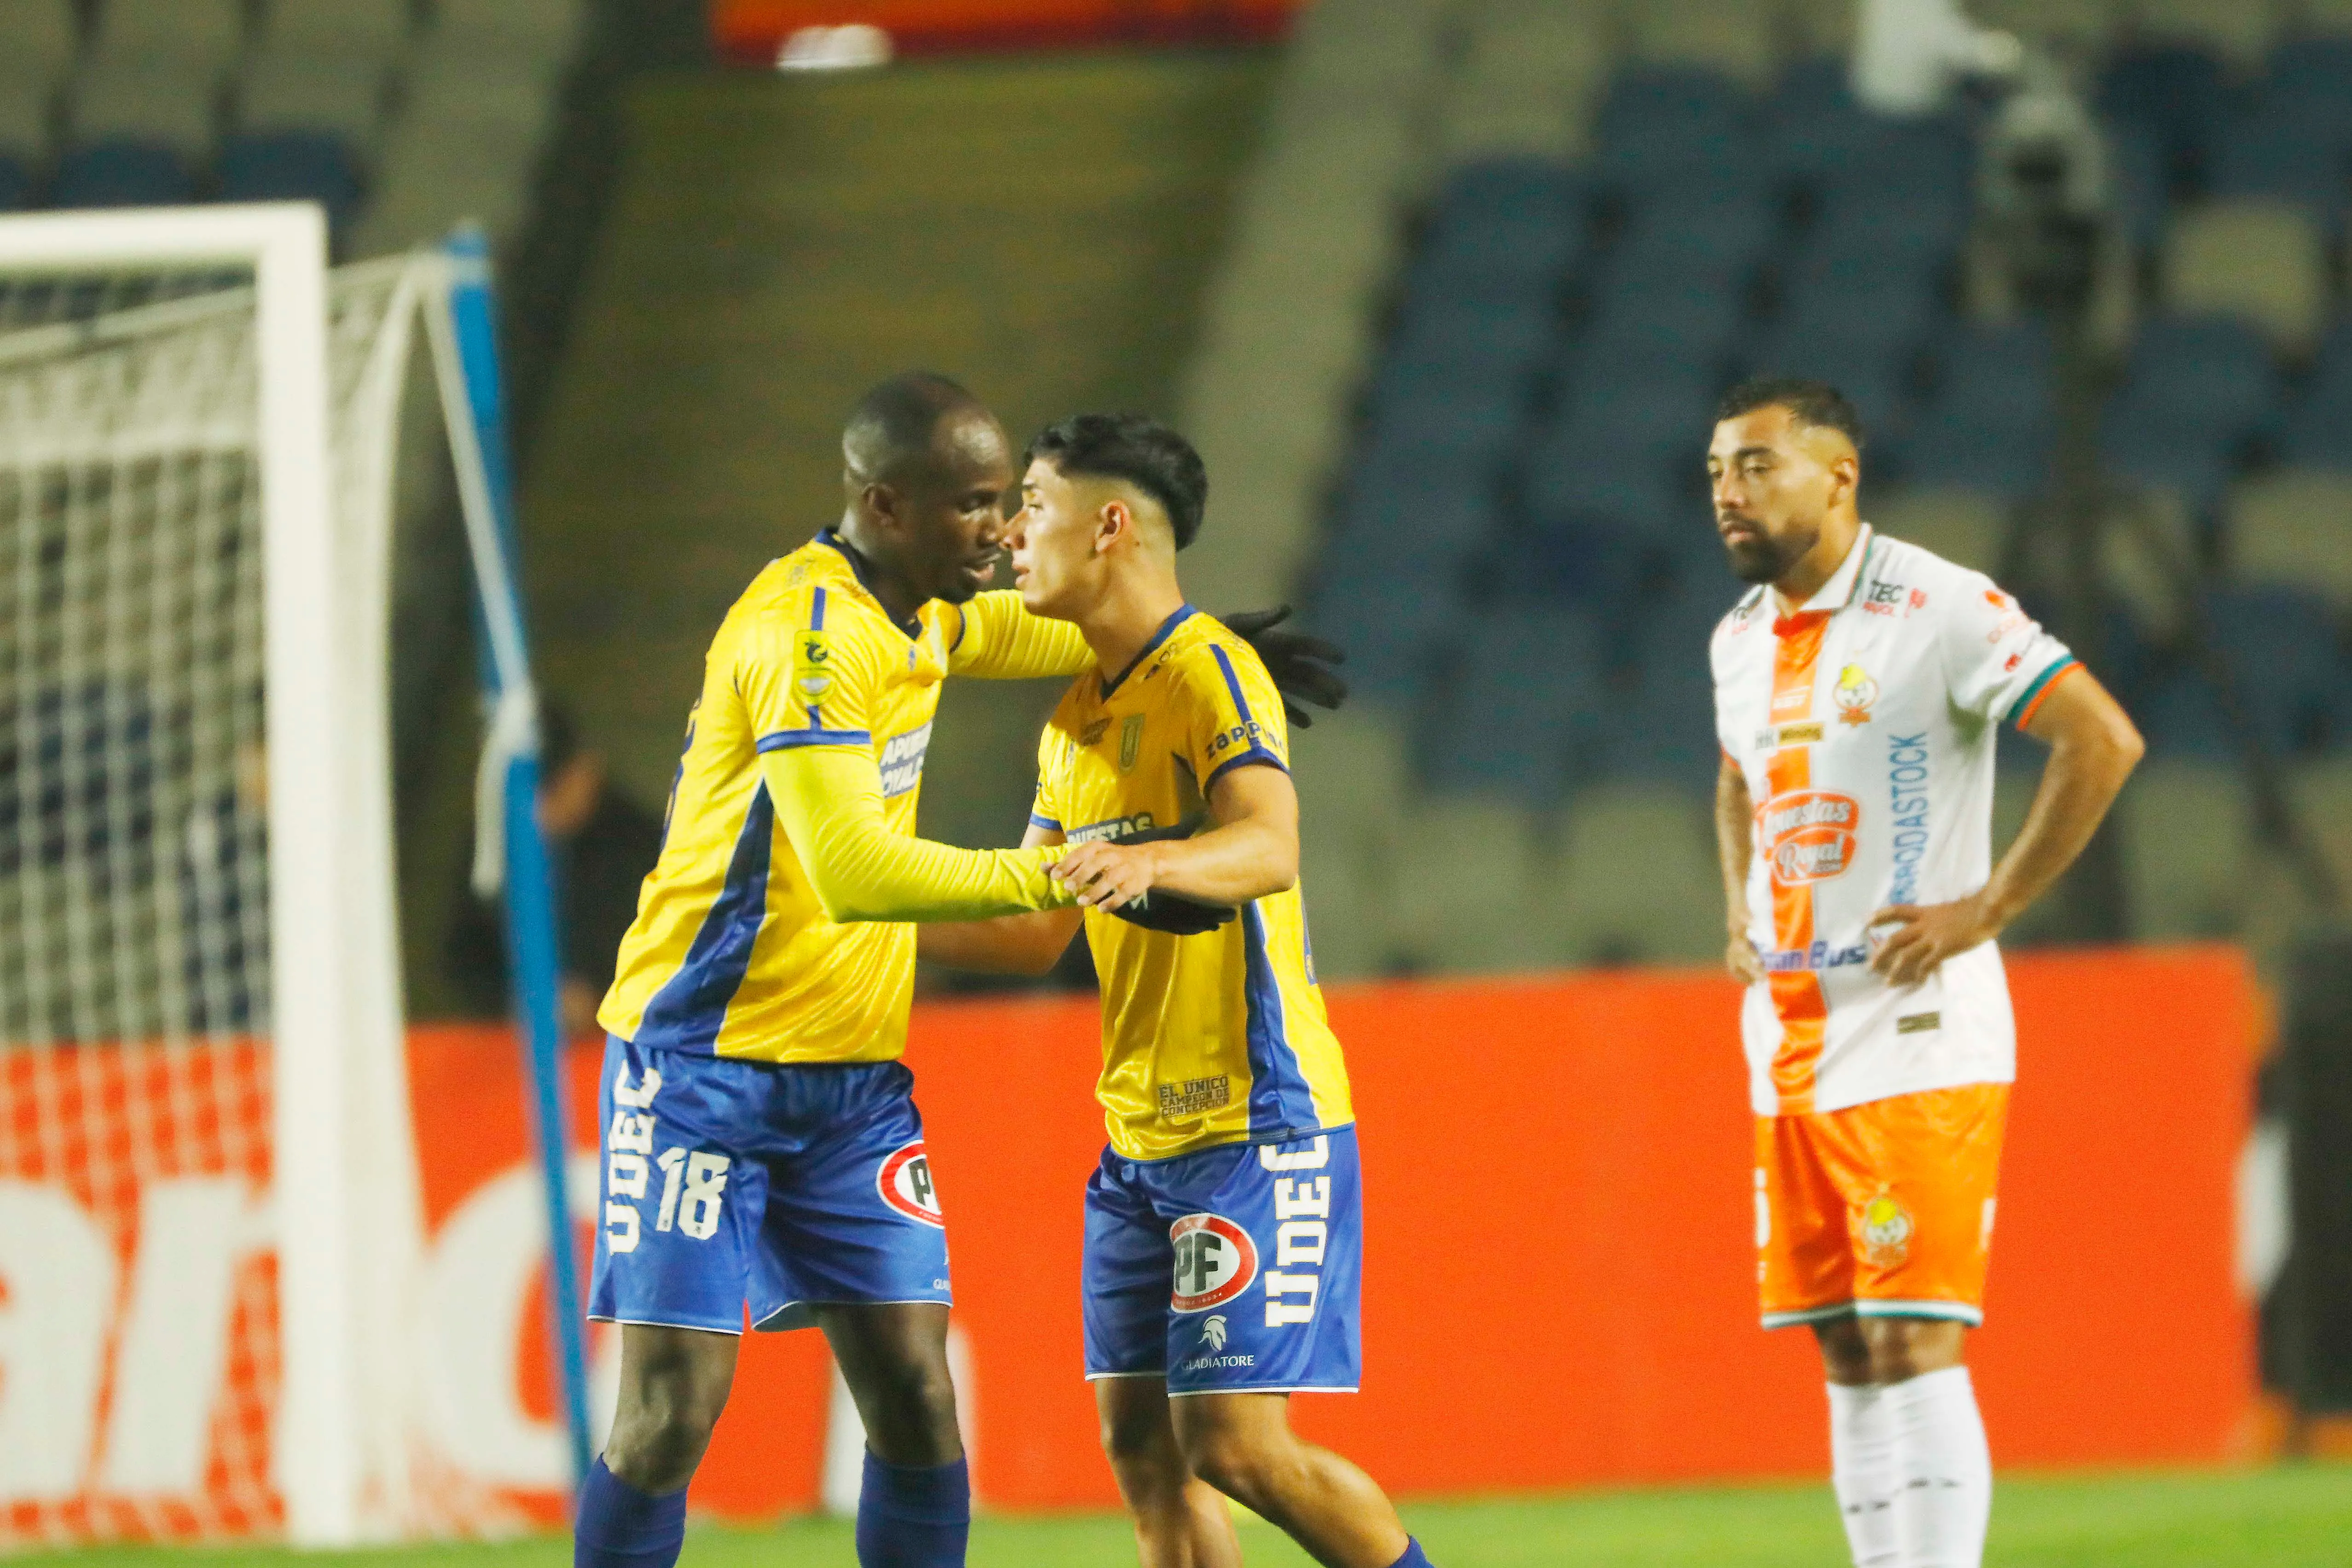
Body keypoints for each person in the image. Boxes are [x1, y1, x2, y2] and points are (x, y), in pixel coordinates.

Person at [572, 373, 1346, 1568]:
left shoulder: (922, 612)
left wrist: (1215, 655)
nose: (998, 530)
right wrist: (1092, 870)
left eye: (1010, 504)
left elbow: (1102, 612)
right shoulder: (807, 634)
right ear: (885, 505)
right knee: (672, 1410)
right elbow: (855, 872)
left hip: (849, 1088)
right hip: (698, 1067)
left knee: (919, 1399)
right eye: (976, 505)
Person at [919, 414, 1436, 1568]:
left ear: (1109, 523)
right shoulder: (1075, 721)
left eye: (1034, 506)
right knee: (1146, 1453)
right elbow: (1037, 928)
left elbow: (1269, 845)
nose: (1008, 536)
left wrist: (1155, 860)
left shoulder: (1209, 671)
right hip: (1138, 1139)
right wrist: (864, 926)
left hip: (1256, 1119)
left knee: (1239, 1448)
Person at [1704, 380, 2143, 1568]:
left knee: (1910, 1335)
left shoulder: (1937, 603)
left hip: (1914, 1024)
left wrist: (1984, 906)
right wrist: (1736, 904)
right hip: (1789, 1031)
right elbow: (1740, 776)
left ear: (1837, 475)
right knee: (1842, 1343)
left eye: (1754, 466)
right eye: (1714, 474)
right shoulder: (1737, 636)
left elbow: (2100, 736)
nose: (1727, 494)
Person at [446, 700, 665, 1038]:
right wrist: (521, 1000)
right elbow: (465, 956)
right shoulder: (499, 846)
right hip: (521, 1051)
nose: (539, 811)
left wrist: (598, 996)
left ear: (586, 770)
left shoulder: (643, 846)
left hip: (622, 1049)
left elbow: (677, 957)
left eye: (551, 790)